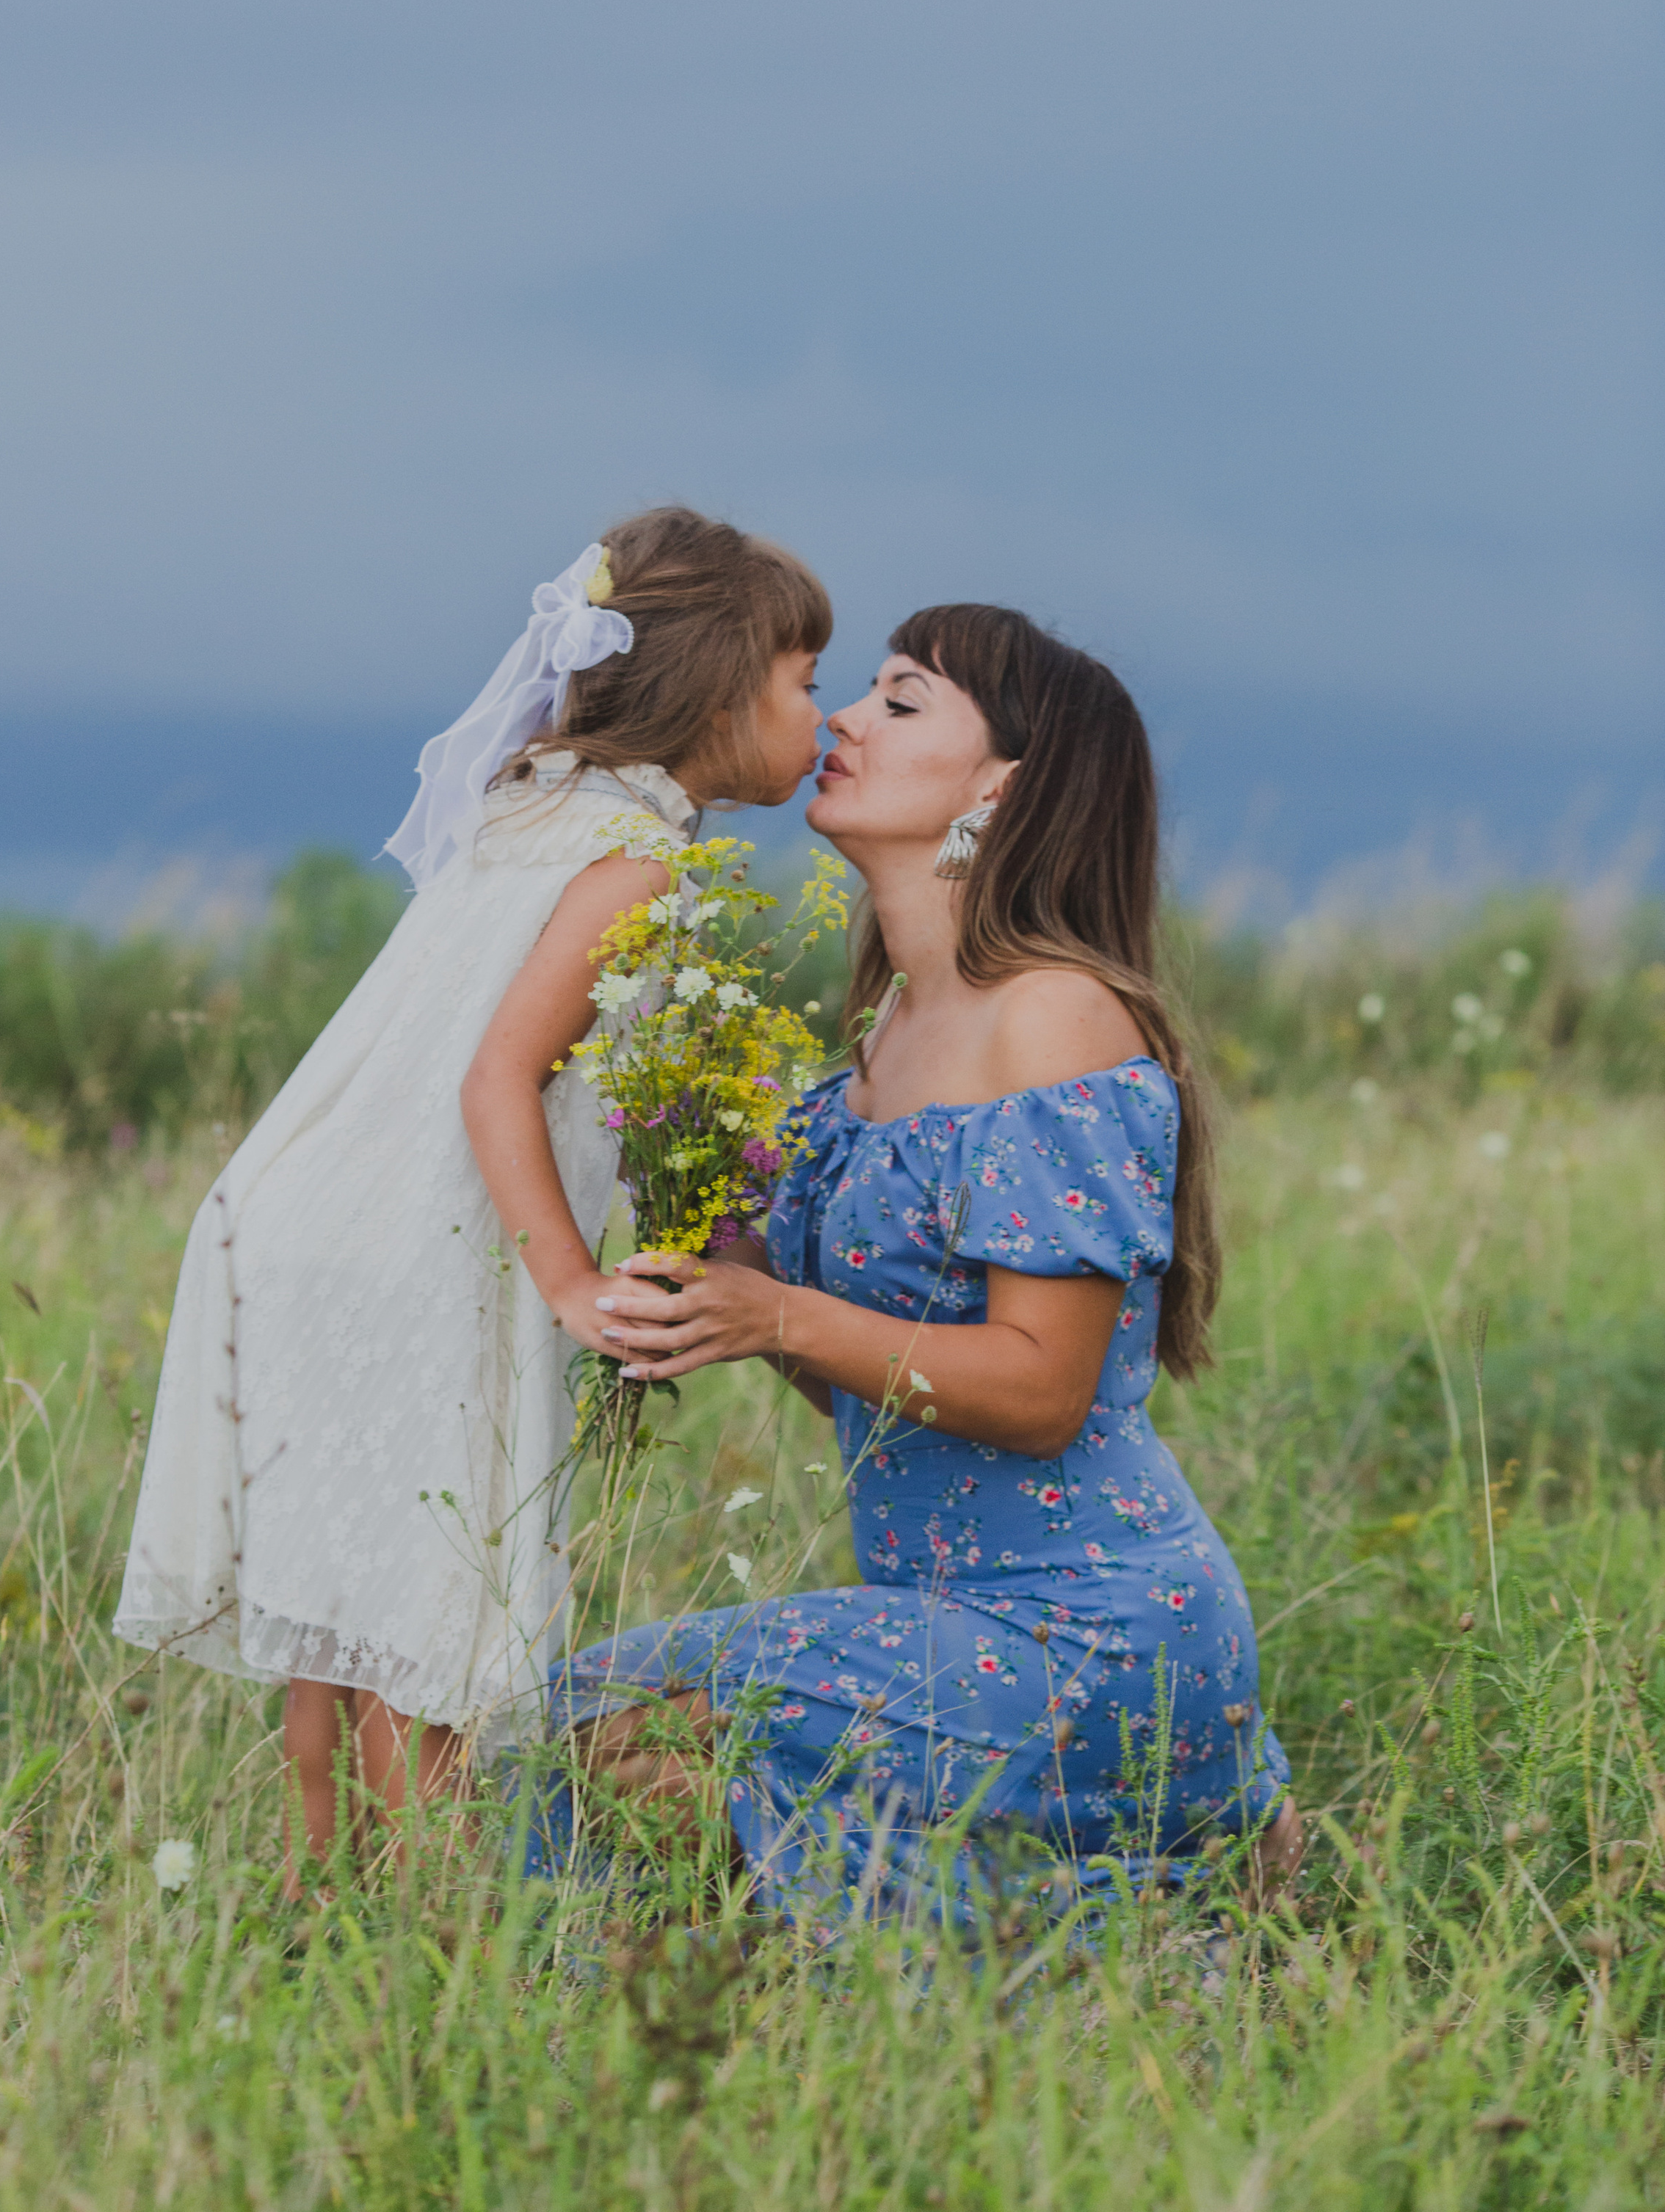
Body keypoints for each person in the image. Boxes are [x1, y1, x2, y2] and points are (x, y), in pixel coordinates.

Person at [546, 603, 1301, 1924]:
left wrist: (775, 1305)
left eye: (900, 702)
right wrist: (717, 1273)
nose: (840, 717)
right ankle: (1089, 1901)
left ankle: (1108, 1916)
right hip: (947, 1623)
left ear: (1002, 781)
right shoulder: (886, 1030)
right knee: (585, 1717)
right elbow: (875, 1389)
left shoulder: (1053, 1015)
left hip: (1088, 1631)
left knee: (602, 1725)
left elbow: (1039, 1391)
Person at [115, 507, 828, 1886]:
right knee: (428, 1628)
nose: (824, 711)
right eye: (805, 680)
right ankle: (446, 1952)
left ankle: (329, 1916)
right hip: (415, 1252)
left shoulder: (533, 806)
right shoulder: (639, 862)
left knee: (341, 1622)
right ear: (724, 692)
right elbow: (499, 1079)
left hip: (306, 1220)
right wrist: (568, 1281)